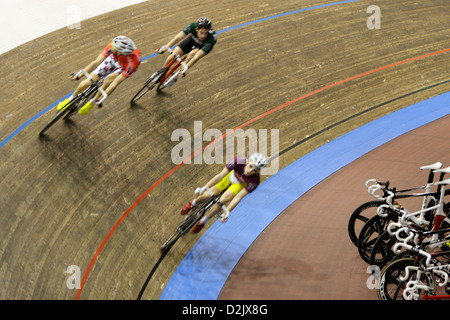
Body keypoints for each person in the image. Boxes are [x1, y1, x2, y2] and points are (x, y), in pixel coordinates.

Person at [180, 153, 267, 233]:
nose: (250, 171)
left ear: (258, 172)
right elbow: (220, 176)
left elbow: (238, 197)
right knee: (206, 195)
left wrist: (227, 212)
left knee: (224, 199)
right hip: (229, 178)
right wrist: (204, 187)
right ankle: (194, 203)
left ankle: (203, 221)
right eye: (251, 166)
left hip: (238, 186)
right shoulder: (238, 161)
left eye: (255, 170)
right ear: (247, 161)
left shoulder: (255, 181)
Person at [57, 36, 141, 115]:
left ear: (120, 52)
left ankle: (93, 101)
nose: (111, 46)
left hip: (124, 68)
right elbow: (95, 63)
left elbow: (114, 84)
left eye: (113, 47)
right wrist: (79, 75)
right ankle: (71, 98)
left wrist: (100, 100)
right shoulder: (112, 47)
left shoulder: (132, 63)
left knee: (108, 80)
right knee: (88, 81)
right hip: (114, 59)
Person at [155, 17, 216, 84]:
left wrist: (185, 68)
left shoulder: (211, 39)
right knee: (173, 55)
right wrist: (165, 48)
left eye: (206, 33)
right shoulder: (192, 26)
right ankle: (162, 72)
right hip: (192, 39)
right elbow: (178, 38)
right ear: (196, 29)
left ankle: (180, 71)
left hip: (201, 46)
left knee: (192, 55)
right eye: (201, 32)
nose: (203, 36)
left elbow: (197, 57)